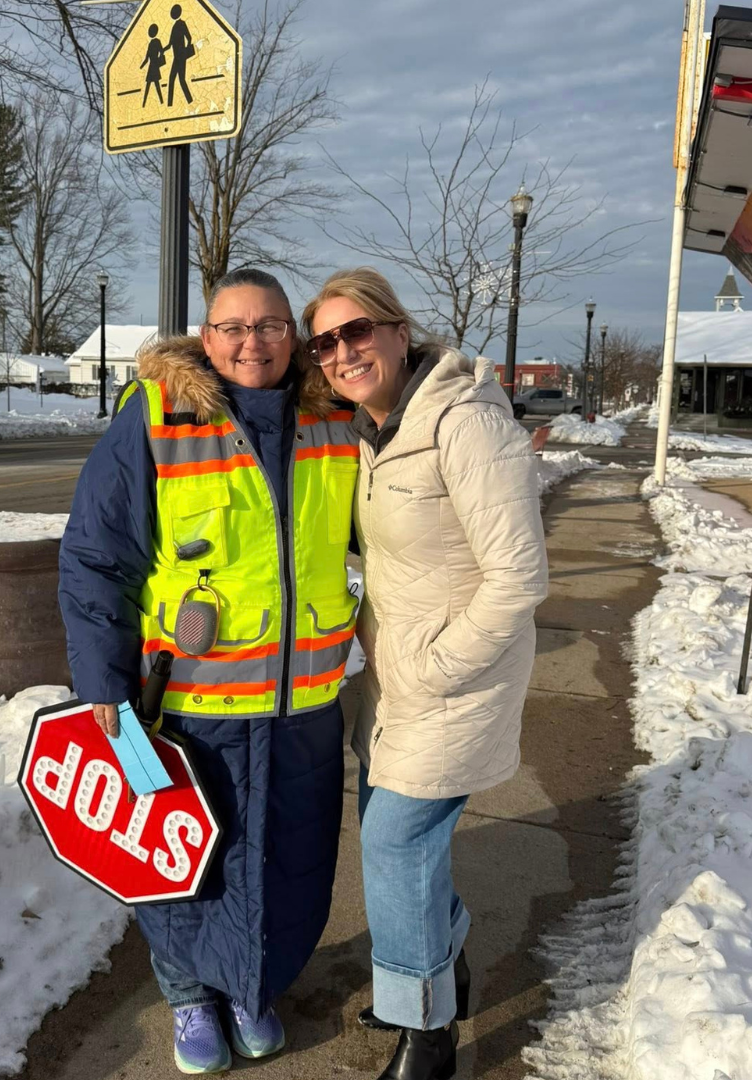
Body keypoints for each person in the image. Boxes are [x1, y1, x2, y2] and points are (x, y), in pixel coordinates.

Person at [59, 268, 360, 1075]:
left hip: (304, 706)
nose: (250, 343)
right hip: (192, 709)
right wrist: (104, 693)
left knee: (288, 858)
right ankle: (190, 994)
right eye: (232, 328)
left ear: (291, 335)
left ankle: (252, 987)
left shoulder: (333, 414)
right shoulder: (157, 417)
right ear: (206, 335)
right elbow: (95, 561)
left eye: (267, 326)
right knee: (189, 861)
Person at [303, 268, 548, 1080]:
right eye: (327, 341)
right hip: (392, 682)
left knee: (394, 842)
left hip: (453, 680)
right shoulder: (371, 429)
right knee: (393, 833)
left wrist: (441, 667)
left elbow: (518, 575)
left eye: (358, 330)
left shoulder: (465, 421)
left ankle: (428, 1034)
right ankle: (441, 960)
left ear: (399, 330)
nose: (344, 350)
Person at [141, 23, 167, 107]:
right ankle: (144, 103)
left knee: (156, 85)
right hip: (151, 66)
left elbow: (161, 51)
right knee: (149, 85)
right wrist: (141, 67)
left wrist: (159, 60)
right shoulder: (150, 43)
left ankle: (161, 102)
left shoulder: (157, 42)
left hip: (154, 66)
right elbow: (146, 58)